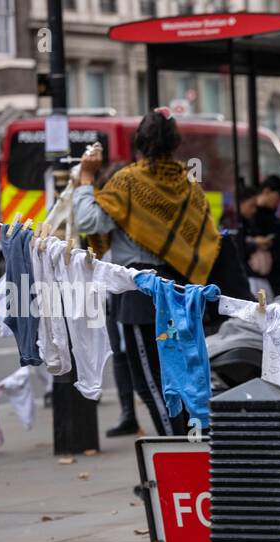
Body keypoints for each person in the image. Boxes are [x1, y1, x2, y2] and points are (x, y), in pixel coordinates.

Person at [74, 110, 222, 437]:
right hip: (182, 291)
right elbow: (207, 236)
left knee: (151, 380)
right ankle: (191, 446)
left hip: (143, 293)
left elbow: (88, 221)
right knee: (183, 375)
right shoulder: (188, 184)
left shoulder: (128, 181)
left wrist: (86, 181)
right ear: (175, 142)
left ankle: (178, 452)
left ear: (139, 141)